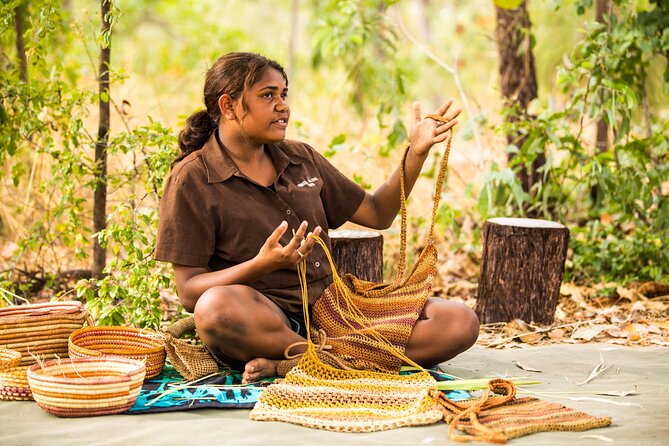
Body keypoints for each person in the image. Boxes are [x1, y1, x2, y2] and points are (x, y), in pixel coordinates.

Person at [155, 52, 479, 384]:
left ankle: (298, 362)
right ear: (229, 106)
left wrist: (416, 151)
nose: (283, 105)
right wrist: (261, 264)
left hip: (335, 311)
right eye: (268, 95)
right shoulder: (192, 179)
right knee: (215, 310)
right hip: (262, 321)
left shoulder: (300, 157)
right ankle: (334, 358)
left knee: (459, 322)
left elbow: (378, 212)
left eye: (284, 94)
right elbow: (190, 292)